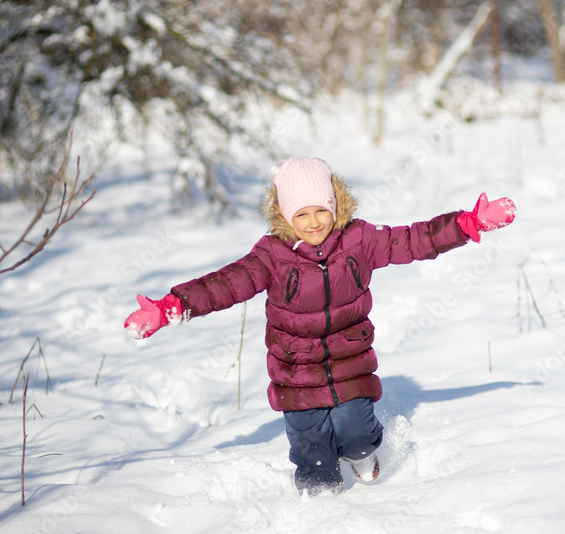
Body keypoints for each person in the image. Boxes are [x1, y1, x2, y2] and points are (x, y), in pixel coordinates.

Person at [124, 157, 516, 496]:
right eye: (301, 214)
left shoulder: (358, 240)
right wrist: (173, 305)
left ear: (335, 206)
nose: (313, 222)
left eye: (321, 210)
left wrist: (466, 224)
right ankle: (320, 504)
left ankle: (362, 457)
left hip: (351, 360)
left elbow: (413, 240)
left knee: (357, 433)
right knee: (312, 454)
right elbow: (226, 284)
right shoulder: (271, 256)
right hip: (296, 370)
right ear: (284, 215)